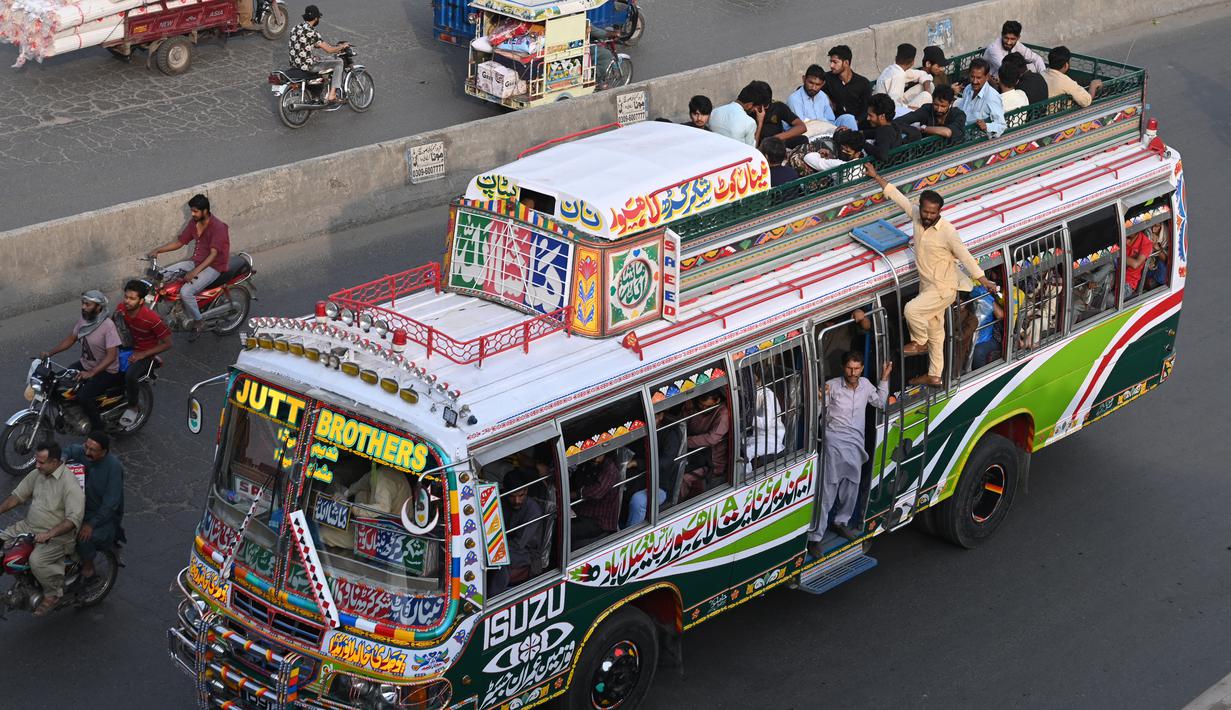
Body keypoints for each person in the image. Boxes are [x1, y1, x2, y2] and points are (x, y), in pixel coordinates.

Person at [864, 162, 999, 386]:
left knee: (911, 310)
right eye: (925, 211)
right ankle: (935, 374)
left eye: (932, 213)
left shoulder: (948, 232)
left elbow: (965, 256)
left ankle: (919, 342)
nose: (928, 216)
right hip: (927, 285)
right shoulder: (917, 215)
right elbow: (899, 199)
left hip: (943, 287)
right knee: (937, 332)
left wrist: (982, 278)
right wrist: (877, 177)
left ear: (939, 212)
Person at [809, 352, 890, 551]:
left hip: (856, 444)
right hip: (834, 443)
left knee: (851, 487)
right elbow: (818, 413)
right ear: (843, 367)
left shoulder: (866, 385)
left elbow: (879, 402)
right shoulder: (832, 386)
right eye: (849, 368)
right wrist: (820, 398)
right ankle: (815, 537)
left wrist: (884, 379)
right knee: (828, 490)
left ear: (862, 368)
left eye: (856, 368)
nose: (853, 372)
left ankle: (840, 522)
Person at [0, 442, 85, 615]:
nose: (37, 465)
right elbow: (17, 497)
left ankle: (53, 594)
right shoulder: (37, 474)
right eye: (37, 461)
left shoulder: (69, 484)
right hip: (28, 527)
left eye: (41, 462)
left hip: (57, 537)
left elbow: (73, 519)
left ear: (54, 462)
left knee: (37, 561)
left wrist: (49, 534)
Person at [146, 194, 231, 341]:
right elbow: (180, 243)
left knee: (186, 292)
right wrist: (158, 250)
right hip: (196, 261)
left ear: (205, 211)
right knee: (163, 274)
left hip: (213, 266)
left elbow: (213, 255)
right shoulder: (194, 223)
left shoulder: (219, 227)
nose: (192, 214)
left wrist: (194, 272)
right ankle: (176, 308)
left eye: (195, 211)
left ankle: (198, 321)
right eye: (192, 211)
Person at [40, 290, 121, 431]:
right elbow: (71, 339)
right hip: (85, 365)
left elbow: (111, 356)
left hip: (106, 371)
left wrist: (91, 373)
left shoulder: (108, 326)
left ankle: (97, 430)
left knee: (84, 397)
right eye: (83, 303)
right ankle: (71, 414)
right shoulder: (84, 320)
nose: (83, 307)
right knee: (57, 383)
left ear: (99, 307)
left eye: (88, 304)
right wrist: (50, 353)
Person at [64, 431, 124, 587]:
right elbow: (70, 450)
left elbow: (111, 504)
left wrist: (91, 524)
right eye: (86, 447)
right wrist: (61, 460)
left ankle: (89, 569)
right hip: (79, 508)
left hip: (102, 518)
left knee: (83, 537)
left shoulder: (114, 468)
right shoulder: (83, 452)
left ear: (104, 452)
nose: (87, 452)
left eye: (92, 450)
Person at [115, 280, 172, 427]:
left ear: (141, 301)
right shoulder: (121, 309)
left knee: (130, 375)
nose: (127, 301)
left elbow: (168, 343)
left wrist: (143, 354)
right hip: (126, 348)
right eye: (126, 297)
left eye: (132, 299)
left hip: (144, 354)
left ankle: (133, 406)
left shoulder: (152, 319)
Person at [625, 409, 684, 527]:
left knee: (638, 501)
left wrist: (638, 463)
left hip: (658, 484)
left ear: (661, 416)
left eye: (652, 418)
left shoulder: (669, 434)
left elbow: (665, 463)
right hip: (638, 479)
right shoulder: (640, 430)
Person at [288, 4, 349, 104]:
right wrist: (342, 46)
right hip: (307, 66)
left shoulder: (295, 28)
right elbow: (329, 50)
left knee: (326, 59)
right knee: (338, 62)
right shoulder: (312, 32)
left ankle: (322, 85)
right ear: (316, 18)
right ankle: (332, 95)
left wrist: (315, 45)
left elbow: (303, 43)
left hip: (294, 64)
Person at [680, 391, 731, 496]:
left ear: (717, 401)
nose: (703, 408)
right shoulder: (694, 406)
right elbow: (682, 423)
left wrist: (685, 442)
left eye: (706, 406)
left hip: (711, 459)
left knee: (683, 478)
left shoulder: (722, 413)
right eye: (701, 405)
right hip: (692, 453)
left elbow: (712, 438)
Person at [501, 468, 545, 587]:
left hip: (526, 552)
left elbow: (519, 544)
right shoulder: (502, 500)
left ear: (526, 490)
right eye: (512, 497)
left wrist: (495, 548)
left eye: (521, 495)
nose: (517, 501)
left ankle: (496, 594)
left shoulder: (533, 511)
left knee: (501, 560)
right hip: (505, 544)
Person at [570, 451, 620, 549]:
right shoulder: (588, 464)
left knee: (567, 531)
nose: (596, 459)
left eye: (599, 455)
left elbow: (597, 491)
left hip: (599, 521)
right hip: (583, 511)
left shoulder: (610, 470)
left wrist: (576, 494)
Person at [893, 84, 966, 145]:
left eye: (943, 106)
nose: (939, 109)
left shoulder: (958, 114)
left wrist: (924, 129)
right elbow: (902, 120)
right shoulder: (927, 109)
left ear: (951, 103)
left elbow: (947, 132)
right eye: (936, 105)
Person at [823, 45, 871, 131]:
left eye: (835, 62)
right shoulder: (827, 79)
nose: (831, 65)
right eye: (831, 62)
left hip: (859, 126)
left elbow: (866, 109)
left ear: (846, 63)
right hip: (835, 124)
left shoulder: (863, 83)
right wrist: (826, 97)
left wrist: (855, 122)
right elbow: (811, 88)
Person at [874, 43, 933, 114]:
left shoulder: (892, 69)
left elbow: (923, 74)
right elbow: (894, 106)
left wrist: (928, 91)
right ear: (912, 63)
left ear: (896, 58)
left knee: (929, 86)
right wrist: (914, 109)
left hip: (897, 103)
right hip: (888, 112)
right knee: (926, 96)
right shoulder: (898, 75)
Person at [956, 58, 1006, 137]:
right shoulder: (968, 88)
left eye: (978, 78)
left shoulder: (992, 96)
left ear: (986, 77)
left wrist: (987, 126)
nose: (974, 81)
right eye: (972, 77)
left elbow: (1001, 125)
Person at [982, 20, 1047, 76]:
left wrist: (1044, 78)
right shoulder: (994, 48)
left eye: (1012, 39)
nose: (1008, 42)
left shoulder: (1018, 45)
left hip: (1012, 74)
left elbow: (1037, 58)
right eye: (1006, 38)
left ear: (1018, 38)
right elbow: (1007, 70)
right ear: (1002, 35)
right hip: (995, 79)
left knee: (1034, 66)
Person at [754, 82, 808, 149]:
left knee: (803, 139)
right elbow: (753, 144)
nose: (763, 109)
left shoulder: (778, 106)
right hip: (761, 147)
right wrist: (760, 122)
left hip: (778, 142)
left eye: (766, 106)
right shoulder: (750, 112)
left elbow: (802, 127)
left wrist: (775, 138)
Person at [853, 93, 905, 161]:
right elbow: (873, 133)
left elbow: (882, 155)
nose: (868, 118)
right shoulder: (893, 126)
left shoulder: (883, 131)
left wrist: (863, 143)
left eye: (870, 115)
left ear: (882, 116)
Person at [803, 128, 869, 173]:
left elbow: (808, 158)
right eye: (842, 149)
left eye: (847, 151)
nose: (843, 152)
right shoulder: (866, 165)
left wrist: (818, 154)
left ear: (857, 154)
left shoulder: (838, 164)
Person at [1124, 226, 1155, 298]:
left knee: (1110, 300)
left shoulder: (1146, 243)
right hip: (1115, 273)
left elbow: (1135, 264)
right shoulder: (1123, 236)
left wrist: (1118, 256)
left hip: (1128, 282)